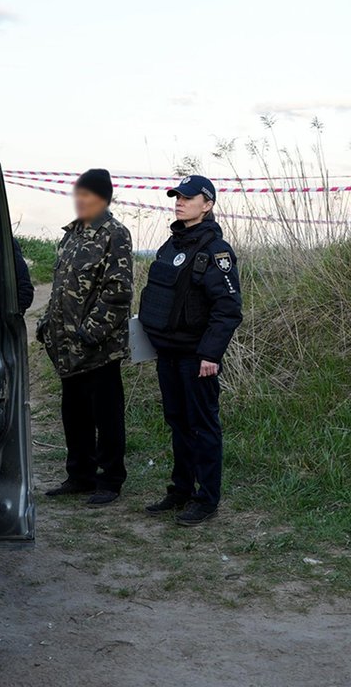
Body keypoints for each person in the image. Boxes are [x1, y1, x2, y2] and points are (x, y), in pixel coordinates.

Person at [138, 175, 243, 527]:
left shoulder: (216, 251)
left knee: (202, 426)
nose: (179, 202)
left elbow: (228, 308)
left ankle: (206, 499)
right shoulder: (172, 244)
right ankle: (180, 489)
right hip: (168, 353)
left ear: (207, 204)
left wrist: (210, 356)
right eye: (176, 197)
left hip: (197, 358)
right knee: (178, 423)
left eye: (187, 197)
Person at [36, 169, 134, 505]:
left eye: (88, 194)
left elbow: (118, 291)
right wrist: (47, 323)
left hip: (99, 347)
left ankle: (110, 481)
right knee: (73, 413)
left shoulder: (115, 234)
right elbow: (60, 286)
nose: (81, 199)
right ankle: (80, 475)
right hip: (66, 348)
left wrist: (90, 333)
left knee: (106, 415)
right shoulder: (71, 234)